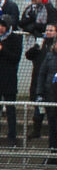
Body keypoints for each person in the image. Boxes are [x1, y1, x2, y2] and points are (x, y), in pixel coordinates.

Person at [0, 15, 19, 145]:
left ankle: (12, 136)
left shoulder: (15, 39)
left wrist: (2, 50)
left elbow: (15, 58)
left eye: (3, 25)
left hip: (9, 80)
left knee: (10, 109)